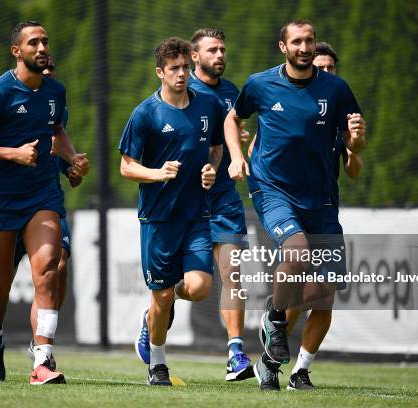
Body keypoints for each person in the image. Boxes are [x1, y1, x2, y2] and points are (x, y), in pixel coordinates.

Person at [224, 20, 366, 391]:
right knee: (297, 253)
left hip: (320, 201)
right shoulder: (260, 84)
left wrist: (358, 140)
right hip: (273, 190)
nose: (305, 47)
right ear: (283, 47)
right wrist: (237, 157)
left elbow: (355, 150)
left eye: (310, 41)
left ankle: (287, 366)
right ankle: (274, 318)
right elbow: (233, 117)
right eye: (298, 42)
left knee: (324, 293)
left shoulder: (336, 90)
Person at [0, 21, 88, 385]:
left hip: (42, 193)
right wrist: (11, 153)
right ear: (17, 51)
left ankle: (42, 360)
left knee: (49, 266)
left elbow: (56, 133)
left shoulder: (55, 92)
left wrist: (72, 160)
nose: (42, 47)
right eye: (34, 42)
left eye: (45, 40)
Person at [119, 37, 224, 386]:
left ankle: (158, 306)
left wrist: (211, 169)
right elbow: (126, 166)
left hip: (196, 215)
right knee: (161, 296)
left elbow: (216, 149)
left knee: (199, 288)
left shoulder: (207, 106)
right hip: (159, 218)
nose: (181, 74)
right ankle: (158, 365)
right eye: (174, 69)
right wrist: (157, 173)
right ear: (160, 72)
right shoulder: (145, 114)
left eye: (184, 67)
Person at [188, 27, 253, 381]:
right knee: (196, 288)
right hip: (188, 200)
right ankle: (157, 309)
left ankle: (235, 352)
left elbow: (230, 134)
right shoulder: (182, 91)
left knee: (234, 272)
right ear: (195, 57)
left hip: (224, 195)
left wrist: (237, 144)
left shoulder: (232, 93)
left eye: (223, 49)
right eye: (213, 50)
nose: (220, 55)